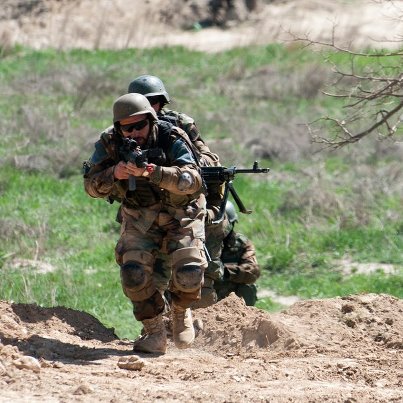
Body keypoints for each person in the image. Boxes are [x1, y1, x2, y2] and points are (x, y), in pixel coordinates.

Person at [83, 93, 208, 354]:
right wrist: (113, 173)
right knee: (133, 273)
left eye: (140, 125)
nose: (135, 133)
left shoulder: (171, 137)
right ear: (119, 127)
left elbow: (193, 180)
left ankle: (180, 311)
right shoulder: (110, 142)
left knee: (189, 272)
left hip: (182, 213)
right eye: (128, 128)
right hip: (140, 216)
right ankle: (154, 330)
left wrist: (154, 172)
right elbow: (91, 187)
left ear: (151, 121)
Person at [128, 75, 225, 307]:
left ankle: (196, 323)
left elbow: (209, 159)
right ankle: (157, 327)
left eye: (153, 102)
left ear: (161, 103)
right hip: (146, 211)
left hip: (183, 205)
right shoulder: (127, 130)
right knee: (144, 273)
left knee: (197, 270)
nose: (148, 108)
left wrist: (183, 166)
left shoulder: (178, 125)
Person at [214, 201, 260, 306]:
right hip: (203, 291)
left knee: (248, 288)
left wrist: (224, 271)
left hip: (232, 296)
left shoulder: (241, 244)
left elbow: (252, 271)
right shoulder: (200, 244)